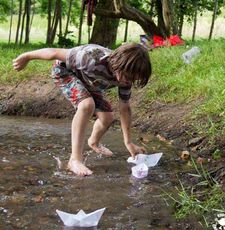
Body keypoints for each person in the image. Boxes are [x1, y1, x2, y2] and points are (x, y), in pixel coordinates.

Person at [13, 43, 152, 176]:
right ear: (118, 64)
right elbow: (54, 53)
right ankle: (74, 160)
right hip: (64, 72)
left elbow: (125, 109)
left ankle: (94, 142)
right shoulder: (90, 57)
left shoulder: (126, 78)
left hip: (89, 82)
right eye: (128, 77)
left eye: (133, 79)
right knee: (87, 105)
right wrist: (27, 57)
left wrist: (128, 143)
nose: (128, 82)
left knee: (107, 118)